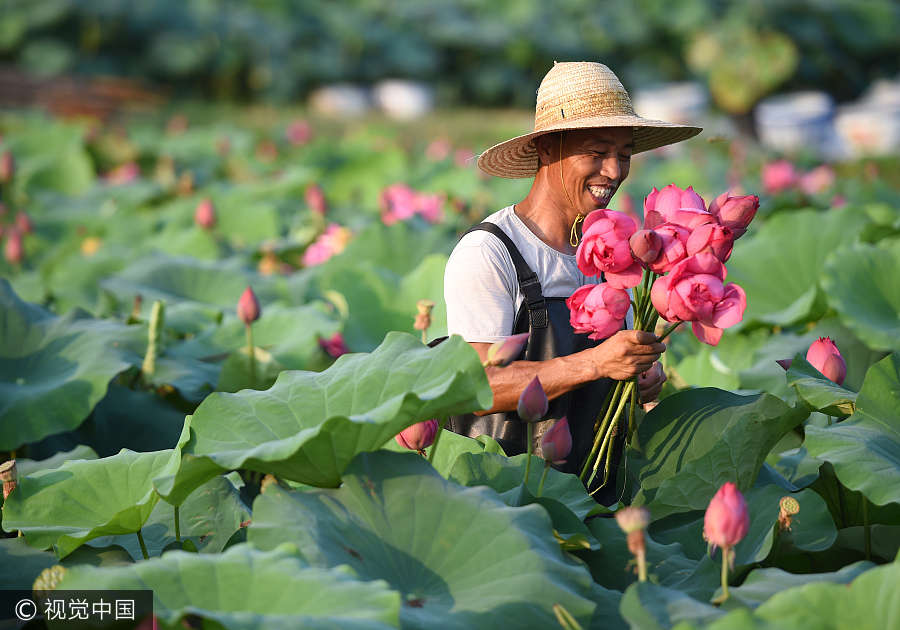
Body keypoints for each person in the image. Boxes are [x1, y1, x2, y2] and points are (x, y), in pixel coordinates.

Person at [443, 61, 702, 504]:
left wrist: (634, 377)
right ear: (546, 148)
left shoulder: (612, 250)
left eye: (624, 154)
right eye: (597, 151)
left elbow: (603, 366)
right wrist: (596, 365)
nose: (614, 170)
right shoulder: (490, 252)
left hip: (596, 493)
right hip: (505, 497)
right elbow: (475, 386)